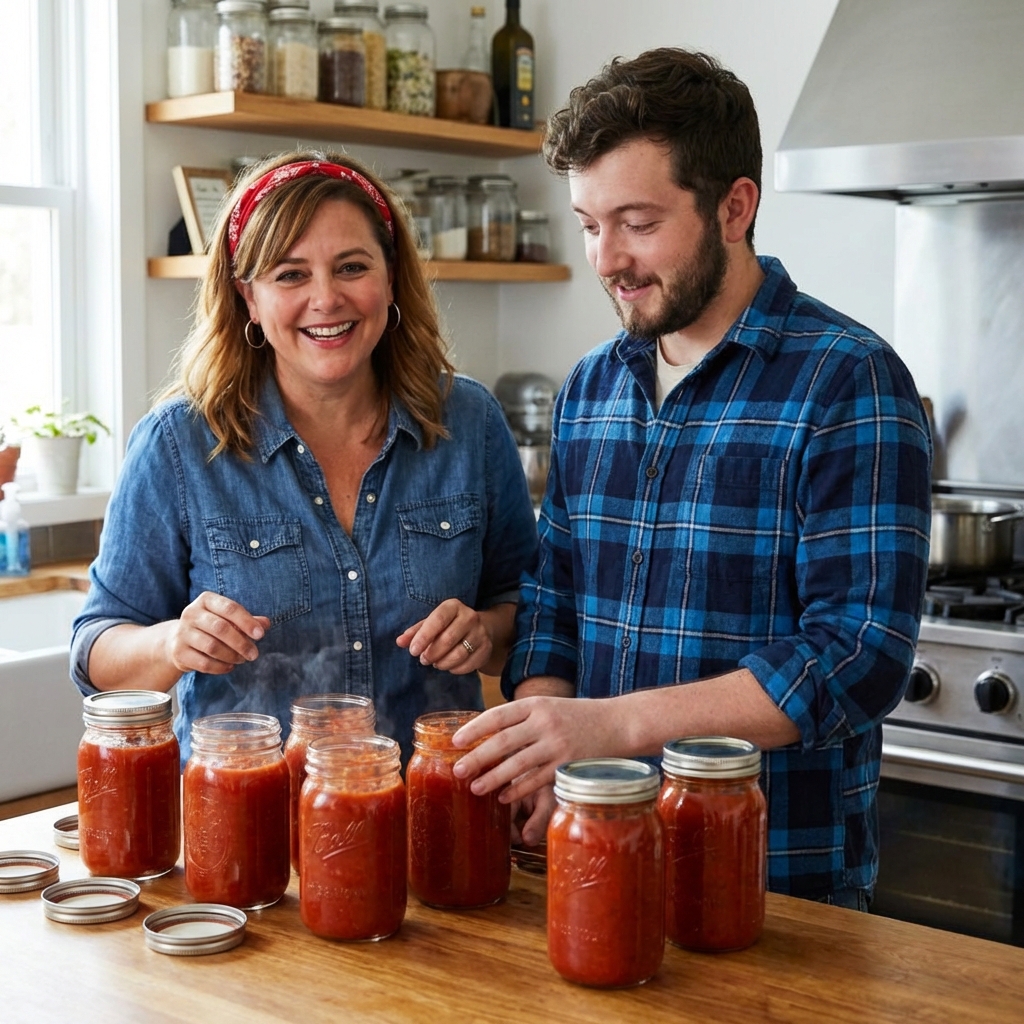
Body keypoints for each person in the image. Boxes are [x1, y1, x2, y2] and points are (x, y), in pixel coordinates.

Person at [451, 49, 931, 908]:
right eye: (589, 224)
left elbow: (857, 657)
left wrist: (609, 726)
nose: (606, 259)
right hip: (596, 856)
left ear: (734, 207)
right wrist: (542, 747)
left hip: (770, 883)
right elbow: (555, 600)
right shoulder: (592, 387)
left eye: (637, 222)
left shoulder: (848, 379)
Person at [71, 151, 538, 763]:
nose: (327, 298)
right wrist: (171, 645)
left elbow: (532, 619)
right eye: (290, 275)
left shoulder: (469, 423)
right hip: (246, 820)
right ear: (249, 299)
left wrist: (486, 633)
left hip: (432, 809)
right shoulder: (178, 443)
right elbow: (95, 654)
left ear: (390, 278)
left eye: (351, 267)